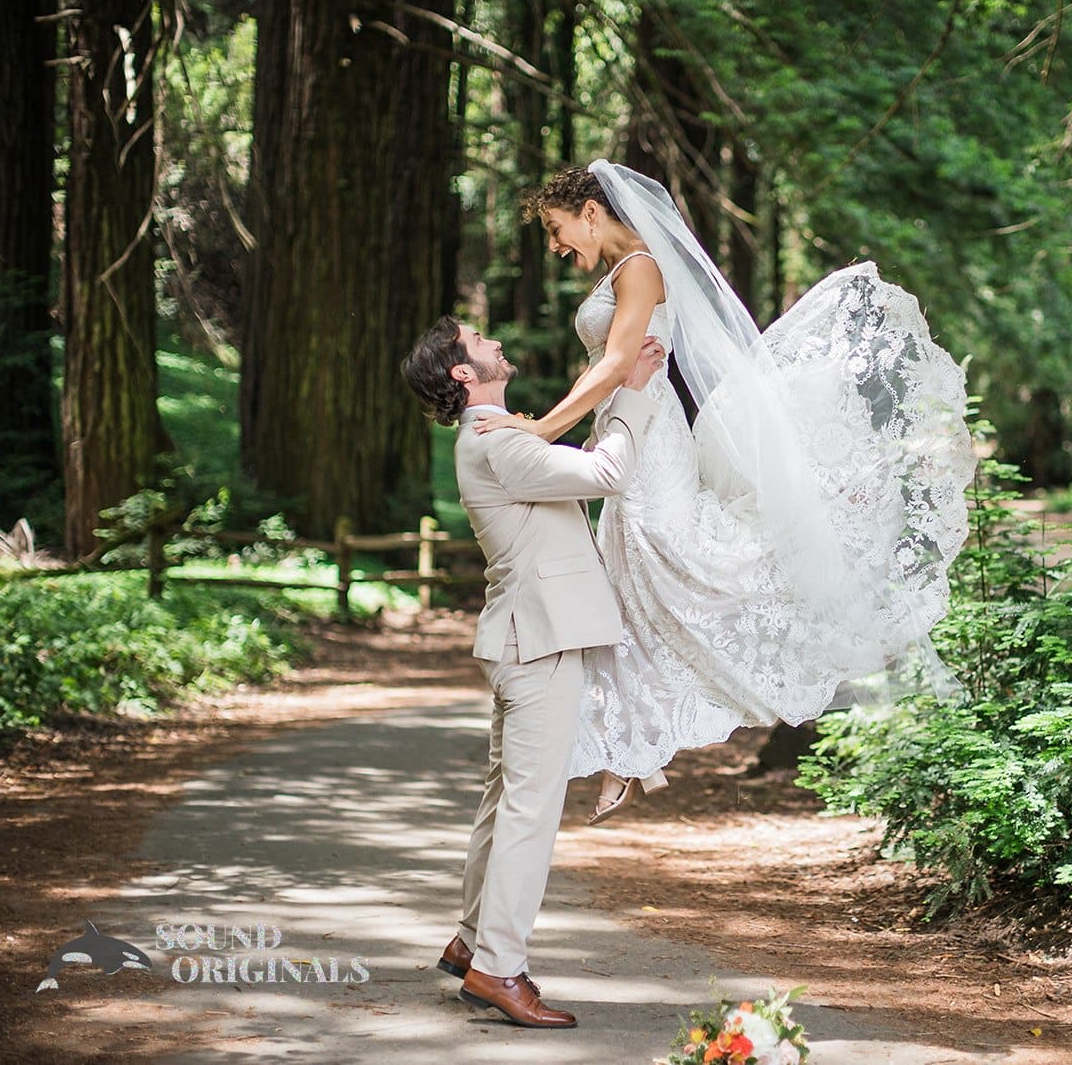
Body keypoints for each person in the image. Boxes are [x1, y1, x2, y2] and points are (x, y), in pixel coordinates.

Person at [476, 160, 976, 825]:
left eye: (559, 229)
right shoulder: (621, 273)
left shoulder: (641, 269)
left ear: (591, 212)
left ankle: (632, 750)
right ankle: (629, 752)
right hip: (631, 432)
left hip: (652, 444)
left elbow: (622, 365)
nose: (557, 246)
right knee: (626, 584)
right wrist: (581, 427)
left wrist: (539, 429)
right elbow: (610, 366)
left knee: (681, 567)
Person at [399, 316, 666, 1028]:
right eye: (480, 338)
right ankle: (498, 967)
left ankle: (470, 938)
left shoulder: (500, 435)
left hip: (525, 638)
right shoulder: (497, 441)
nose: (494, 340)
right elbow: (606, 473)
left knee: (504, 798)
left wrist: (611, 393)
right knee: (529, 808)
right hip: (540, 642)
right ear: (463, 371)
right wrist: (632, 391)